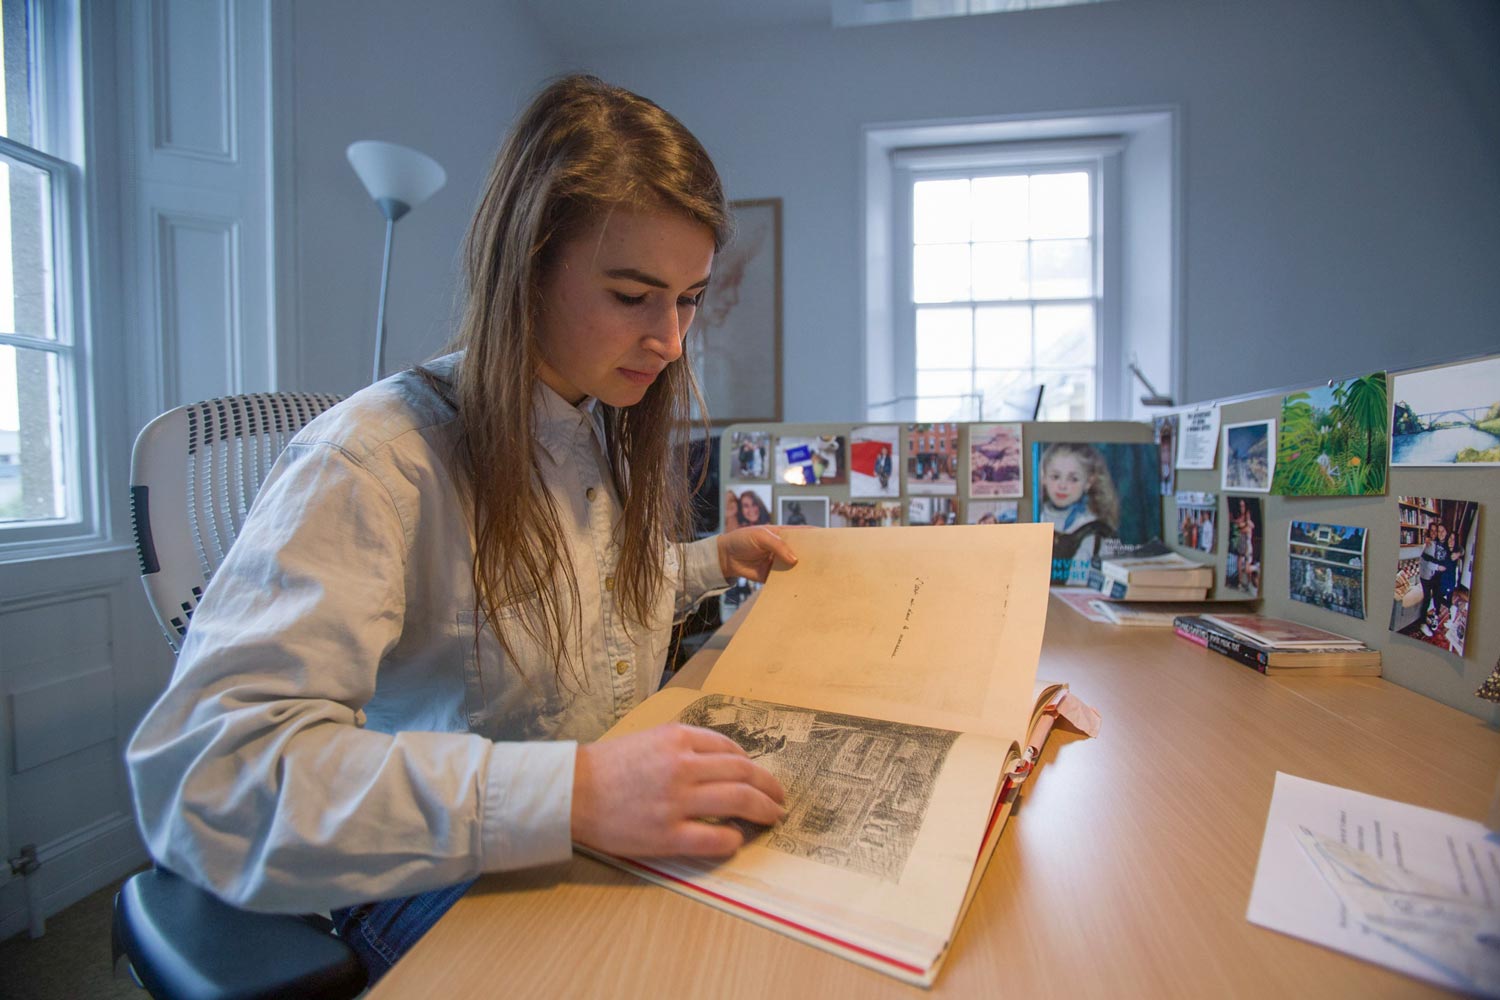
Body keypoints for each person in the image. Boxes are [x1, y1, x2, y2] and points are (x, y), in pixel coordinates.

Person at [125, 75, 798, 986]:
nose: (671, 340)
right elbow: (207, 786)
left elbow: (574, 595)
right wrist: (576, 791)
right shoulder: (373, 459)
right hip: (428, 873)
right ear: (525, 267)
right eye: (634, 295)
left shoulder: (591, 417)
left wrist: (709, 562)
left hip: (574, 837)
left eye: (686, 299)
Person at [1035, 442, 1119, 584]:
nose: (1062, 485)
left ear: (1088, 482)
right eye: (1055, 477)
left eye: (1073, 479)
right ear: (1044, 477)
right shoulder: (1035, 517)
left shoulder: (1094, 531)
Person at [1417, 522, 1449, 636]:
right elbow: (1426, 562)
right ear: (1429, 531)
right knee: (1426, 599)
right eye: (1433, 530)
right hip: (1425, 576)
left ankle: (1431, 617)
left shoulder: (1437, 543)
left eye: (1437, 530)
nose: (1435, 533)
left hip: (1433, 577)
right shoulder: (1428, 544)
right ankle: (1422, 623)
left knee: (1436, 597)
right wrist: (1438, 567)